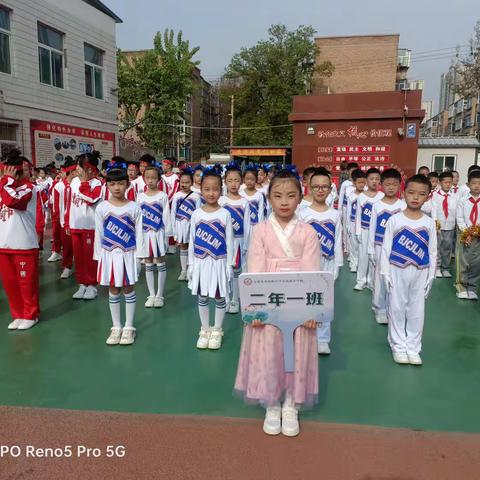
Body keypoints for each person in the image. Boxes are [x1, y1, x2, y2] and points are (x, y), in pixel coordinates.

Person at [234, 168, 321, 438]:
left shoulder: (307, 232)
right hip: (268, 299)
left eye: (291, 196)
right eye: (278, 196)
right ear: (269, 199)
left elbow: (312, 272)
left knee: (296, 349)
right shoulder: (260, 231)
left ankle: (291, 403)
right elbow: (255, 269)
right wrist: (254, 309)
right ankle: (271, 402)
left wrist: (310, 310)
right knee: (269, 347)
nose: (284, 201)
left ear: (300, 198)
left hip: (297, 300)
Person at [380, 174, 437, 365]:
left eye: (421, 194)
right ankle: (398, 346)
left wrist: (431, 276)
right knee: (396, 308)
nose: (415, 197)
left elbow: (433, 251)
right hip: (397, 269)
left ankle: (413, 347)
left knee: (416, 311)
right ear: (403, 193)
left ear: (427, 197)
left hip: (420, 271)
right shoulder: (394, 220)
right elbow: (386, 248)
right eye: (411, 192)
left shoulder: (429, 223)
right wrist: (385, 272)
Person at [94, 168, 145, 346]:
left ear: (128, 185)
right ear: (107, 185)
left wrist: (140, 257)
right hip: (109, 255)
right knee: (114, 289)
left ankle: (129, 327)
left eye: (120, 183)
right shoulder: (102, 207)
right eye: (112, 184)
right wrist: (99, 257)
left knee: (128, 288)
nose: (116, 187)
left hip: (128, 254)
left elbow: (140, 234)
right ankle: (116, 326)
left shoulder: (134, 207)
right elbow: (98, 234)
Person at [188, 168, 234, 350]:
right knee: (203, 295)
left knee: (219, 295)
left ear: (221, 190)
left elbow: (230, 242)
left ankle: (217, 330)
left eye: (215, 189)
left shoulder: (225, 214)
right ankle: (205, 329)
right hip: (200, 262)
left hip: (219, 261)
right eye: (207, 189)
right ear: (201, 190)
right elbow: (192, 240)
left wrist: (229, 265)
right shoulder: (196, 214)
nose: (211, 193)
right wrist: (191, 265)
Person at [298, 167, 342, 355]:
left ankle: (323, 338)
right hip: (306, 263)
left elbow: (338, 239)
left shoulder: (335, 214)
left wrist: (338, 264)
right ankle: (305, 334)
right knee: (304, 299)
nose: (320, 190)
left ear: (331, 189)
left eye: (325, 187)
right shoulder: (302, 212)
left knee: (324, 300)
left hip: (328, 262)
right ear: (309, 187)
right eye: (316, 186)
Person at [0, 152, 40, 330]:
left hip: (23, 243)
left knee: (26, 283)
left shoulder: (29, 188)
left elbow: (12, 201)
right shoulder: (3, 187)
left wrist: (6, 181)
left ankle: (31, 314)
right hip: (4, 244)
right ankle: (18, 315)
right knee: (10, 283)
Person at [368, 168, 405, 324]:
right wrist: (371, 250)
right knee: (380, 277)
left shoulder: (403, 206)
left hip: (397, 248)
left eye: (394, 184)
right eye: (388, 184)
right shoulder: (377, 205)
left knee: (395, 279)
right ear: (381, 185)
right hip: (379, 245)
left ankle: (393, 308)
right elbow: (372, 228)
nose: (391, 187)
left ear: (399, 186)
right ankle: (380, 308)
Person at [65, 151, 103, 300]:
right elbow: (70, 202)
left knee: (89, 258)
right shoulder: (74, 182)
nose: (77, 170)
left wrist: (85, 182)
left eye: (80, 167)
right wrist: (68, 221)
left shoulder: (98, 183)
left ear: (89, 169)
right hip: (76, 225)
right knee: (79, 258)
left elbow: (91, 199)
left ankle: (92, 284)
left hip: (90, 226)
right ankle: (82, 284)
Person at [137, 166, 172, 308]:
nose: (150, 180)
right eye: (147, 177)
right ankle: (151, 294)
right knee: (148, 263)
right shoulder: (140, 196)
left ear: (158, 179)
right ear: (144, 178)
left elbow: (166, 217)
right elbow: (137, 218)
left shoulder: (162, 196)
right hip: (145, 234)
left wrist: (167, 236)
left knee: (160, 262)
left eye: (153, 177)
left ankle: (160, 295)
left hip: (158, 234)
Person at [219, 162, 251, 314]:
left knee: (237, 269)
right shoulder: (221, 201)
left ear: (241, 182)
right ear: (225, 181)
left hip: (238, 241)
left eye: (236, 180)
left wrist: (246, 245)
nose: (233, 183)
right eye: (230, 180)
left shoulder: (244, 202)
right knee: (224, 270)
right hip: (223, 242)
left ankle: (235, 299)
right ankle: (225, 298)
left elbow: (247, 225)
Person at [354, 167, 384, 291]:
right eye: (372, 179)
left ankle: (372, 281)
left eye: (377, 179)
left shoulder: (382, 196)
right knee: (363, 256)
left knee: (374, 256)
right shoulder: (361, 197)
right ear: (366, 180)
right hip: (365, 230)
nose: (374, 181)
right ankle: (361, 280)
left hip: (377, 232)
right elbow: (358, 216)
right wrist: (358, 232)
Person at [171, 168, 201, 281]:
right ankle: (183, 270)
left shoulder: (196, 196)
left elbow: (198, 213)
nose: (184, 184)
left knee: (192, 247)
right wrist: (174, 231)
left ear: (192, 183)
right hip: (180, 225)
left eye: (187, 182)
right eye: (182, 182)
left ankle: (192, 270)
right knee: (183, 246)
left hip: (191, 225)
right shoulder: (177, 196)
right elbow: (173, 212)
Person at [455, 169, 480, 300]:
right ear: (468, 184)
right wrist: (466, 232)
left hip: (479, 236)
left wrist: (477, 231)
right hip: (465, 235)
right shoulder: (463, 200)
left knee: (476, 263)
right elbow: (459, 218)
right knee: (463, 261)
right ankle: (461, 287)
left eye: (479, 183)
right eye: (474, 183)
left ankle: (472, 288)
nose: (477, 186)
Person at [52, 159, 77, 279]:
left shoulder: (79, 184)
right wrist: (58, 220)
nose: (78, 173)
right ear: (71, 172)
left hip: (79, 222)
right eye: (76, 171)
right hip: (64, 222)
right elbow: (56, 205)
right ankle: (67, 267)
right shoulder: (58, 186)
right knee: (67, 247)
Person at [431, 171, 457, 278]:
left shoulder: (455, 196)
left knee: (447, 247)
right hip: (439, 226)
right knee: (437, 247)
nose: (447, 184)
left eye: (449, 182)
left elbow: (456, 210)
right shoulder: (435, 195)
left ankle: (445, 268)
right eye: (445, 182)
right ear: (440, 183)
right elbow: (434, 211)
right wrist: (435, 224)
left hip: (450, 225)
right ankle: (437, 268)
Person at [346, 169, 367, 272]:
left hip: (363, 224)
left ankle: (361, 264)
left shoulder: (367, 196)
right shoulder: (351, 196)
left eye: (363, 182)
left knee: (362, 244)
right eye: (359, 182)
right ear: (354, 183)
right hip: (353, 222)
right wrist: (348, 225)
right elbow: (348, 211)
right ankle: (354, 264)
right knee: (353, 243)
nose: (361, 185)